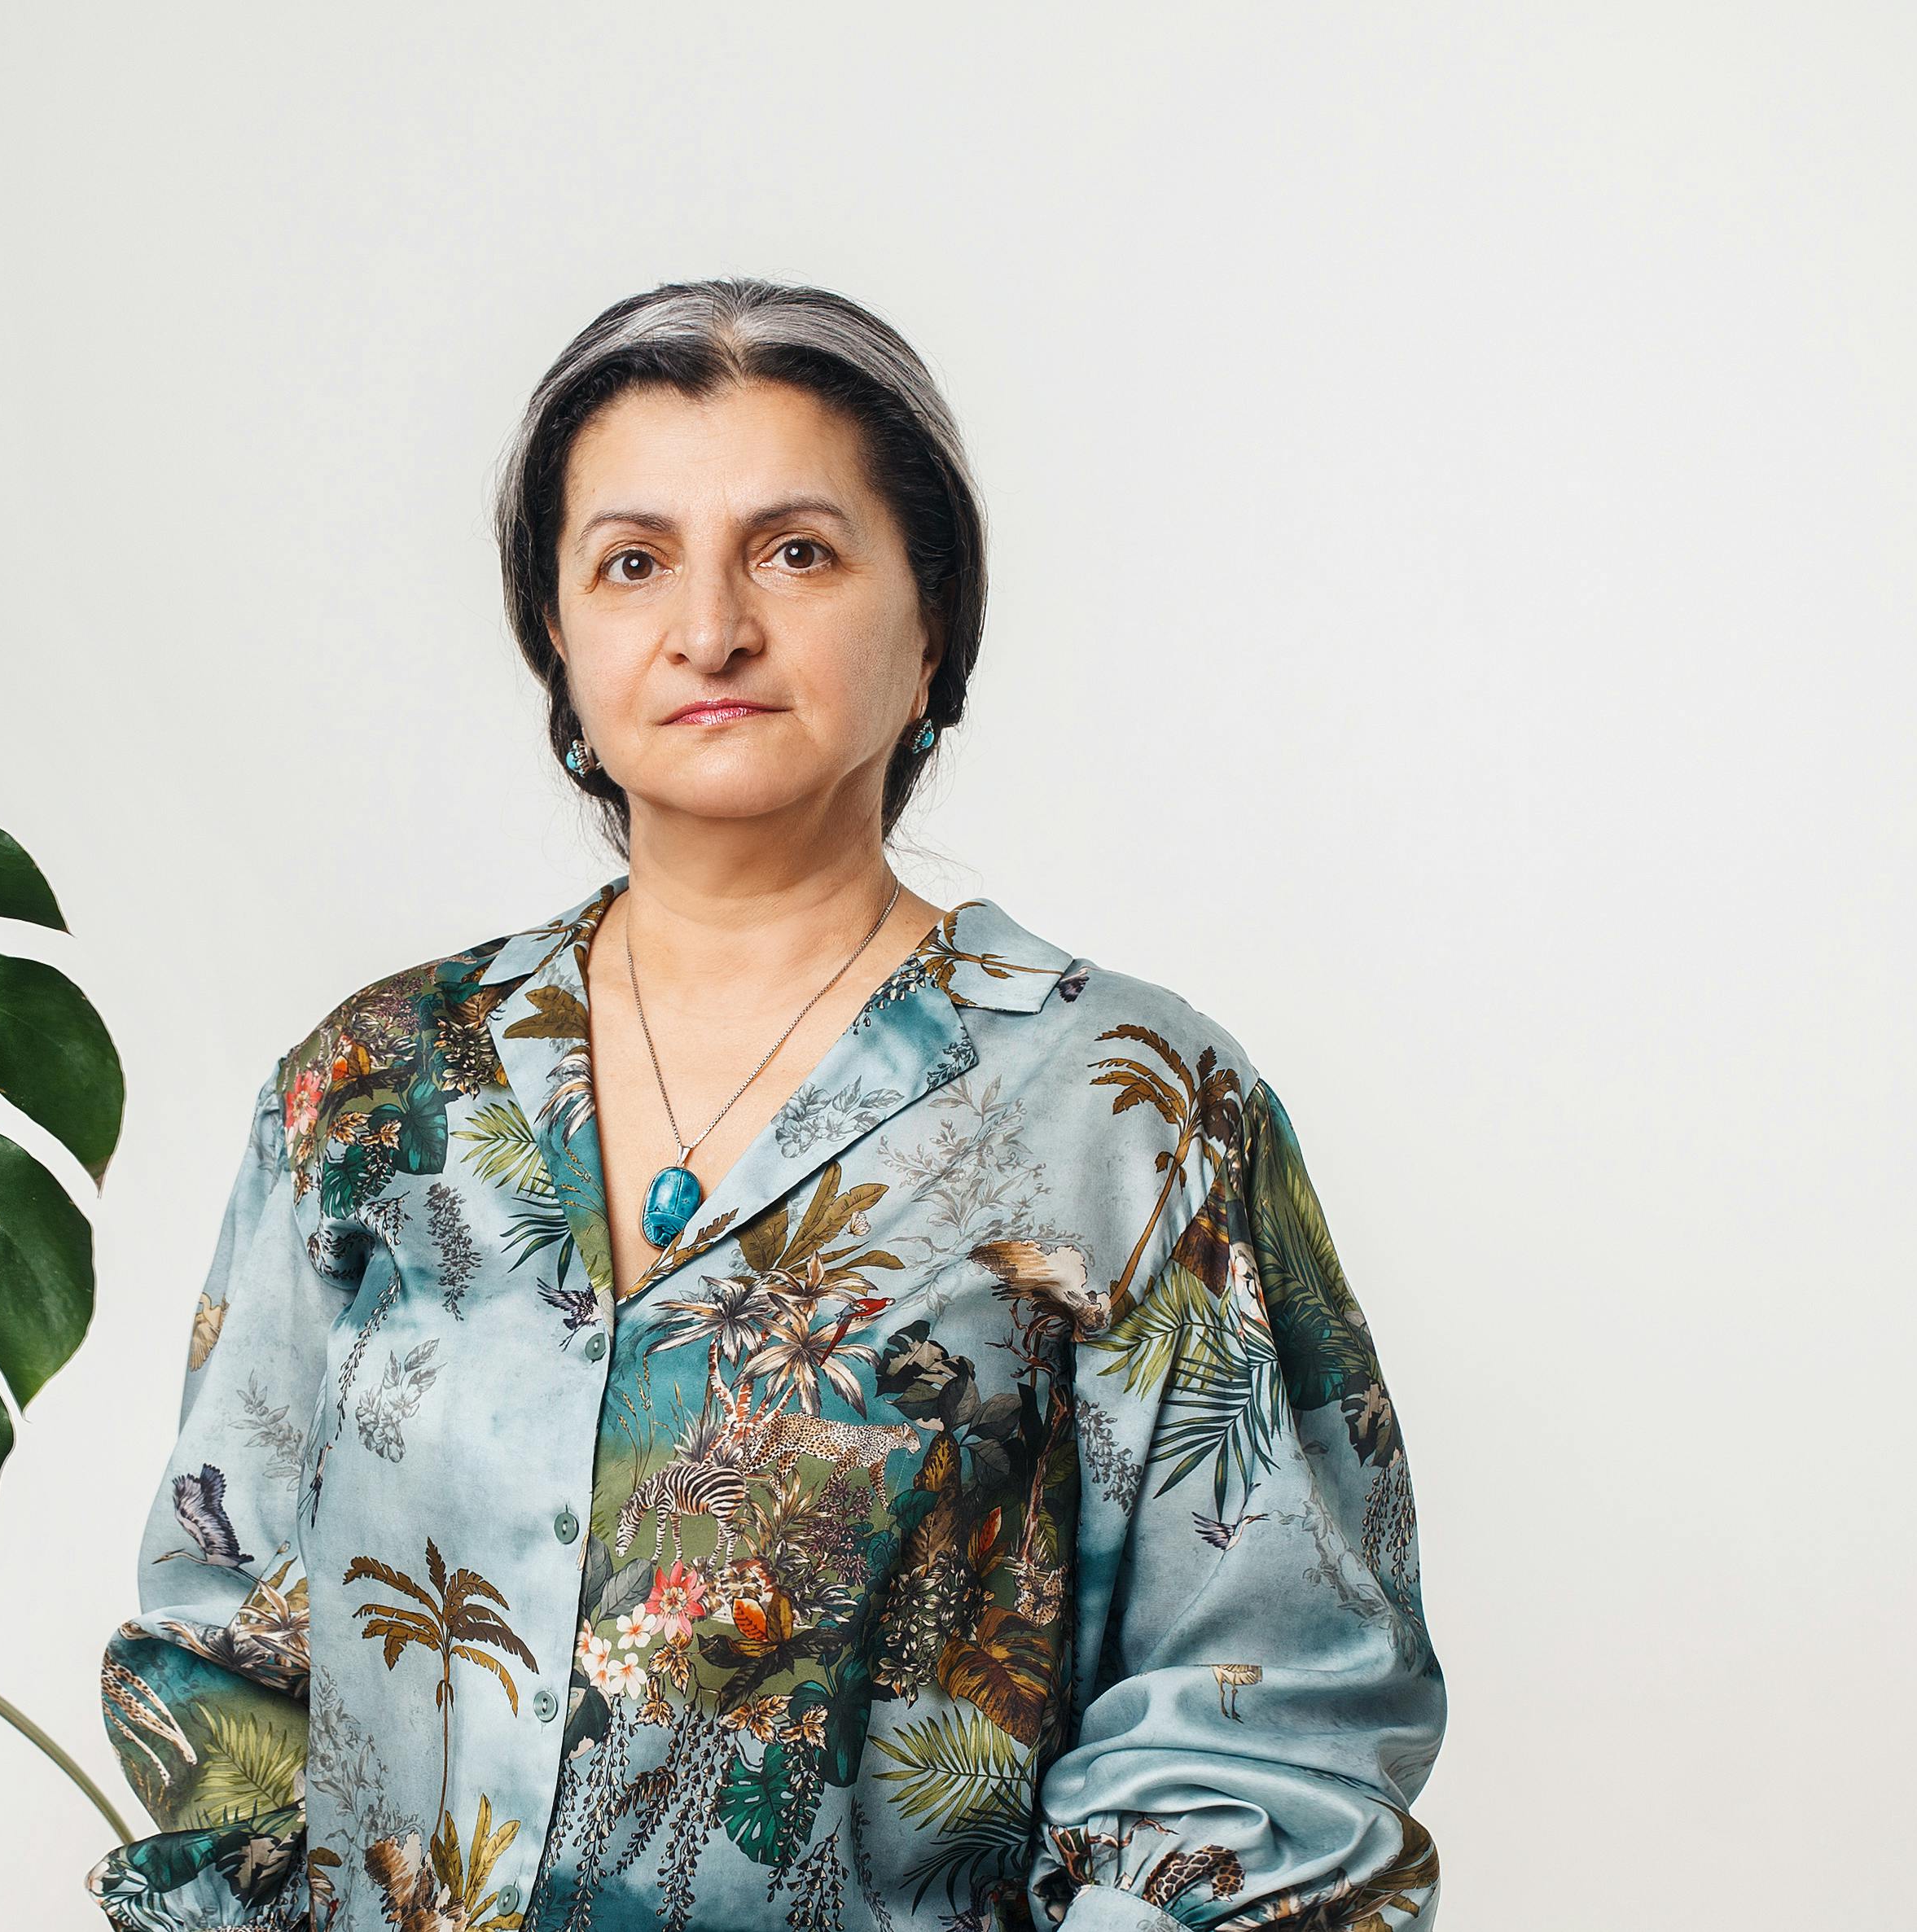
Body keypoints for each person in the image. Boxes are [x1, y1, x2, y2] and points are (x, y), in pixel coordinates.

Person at [88, 278, 1445, 1931]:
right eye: (633, 561)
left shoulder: (1126, 1109)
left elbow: (1267, 1742)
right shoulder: (379, 1086)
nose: (711, 626)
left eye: (797, 551)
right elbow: (220, 1653)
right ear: (557, 640)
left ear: (931, 619)